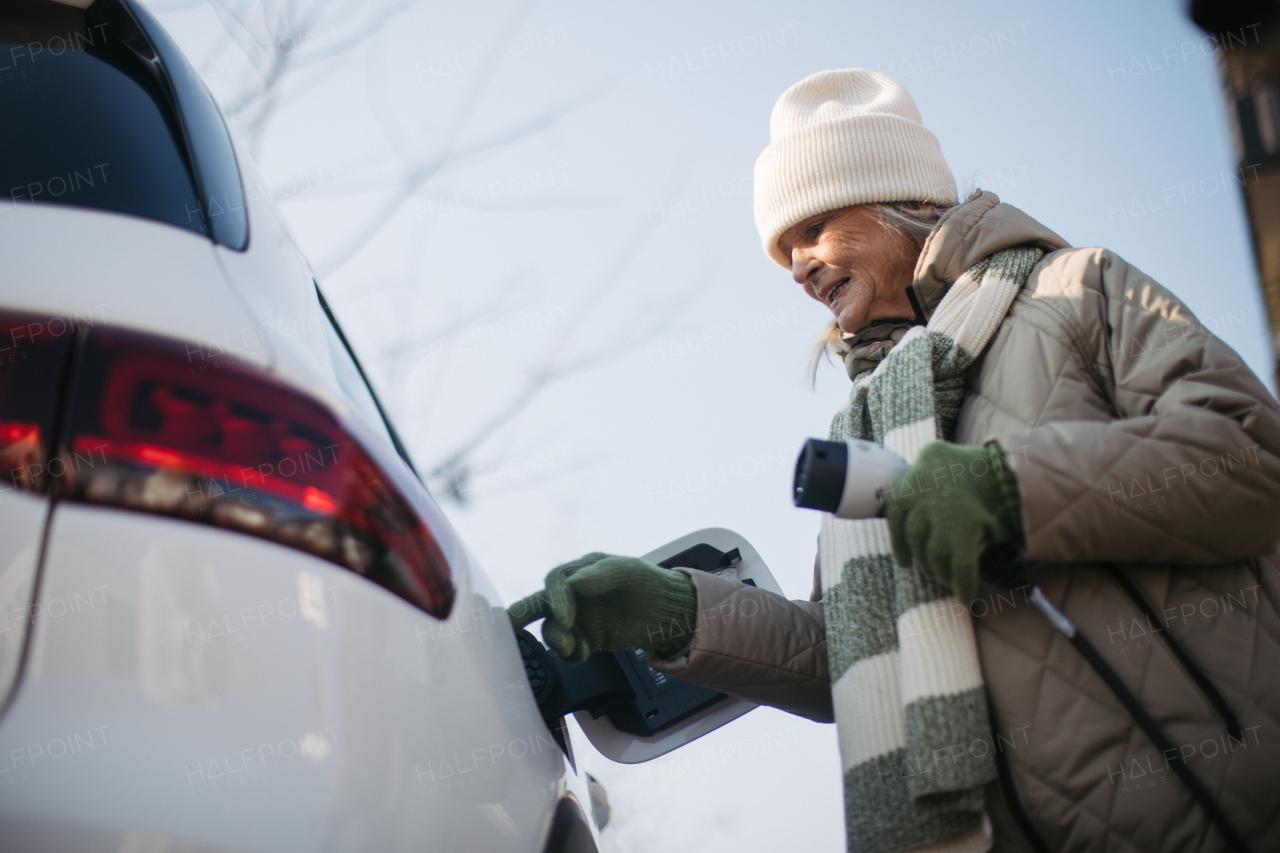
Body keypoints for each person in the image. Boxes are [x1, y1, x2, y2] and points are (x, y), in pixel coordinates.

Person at [508, 69, 1280, 852]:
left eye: (812, 231)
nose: (801, 267)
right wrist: (680, 611)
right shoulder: (871, 425)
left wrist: (1011, 490)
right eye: (785, 256)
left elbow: (1249, 457)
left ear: (899, 199)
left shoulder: (1074, 289)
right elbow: (850, 654)